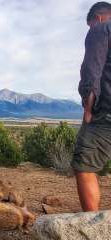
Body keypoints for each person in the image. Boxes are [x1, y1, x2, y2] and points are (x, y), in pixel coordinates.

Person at [71, 1, 111, 212]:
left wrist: (88, 109)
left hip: (106, 112)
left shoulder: (102, 28)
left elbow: (91, 70)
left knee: (84, 164)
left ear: (99, 17)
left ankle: (92, 228)